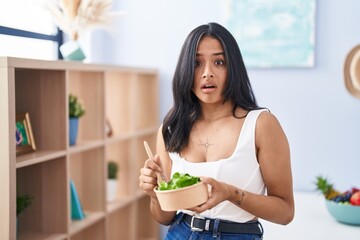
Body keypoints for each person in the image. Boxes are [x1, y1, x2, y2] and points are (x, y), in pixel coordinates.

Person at [139, 22, 294, 240]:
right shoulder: (171, 128)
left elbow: (286, 212)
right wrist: (154, 195)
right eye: (196, 63)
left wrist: (230, 194)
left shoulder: (261, 124)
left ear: (233, 68)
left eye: (219, 62)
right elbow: (165, 217)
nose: (207, 73)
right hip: (180, 233)